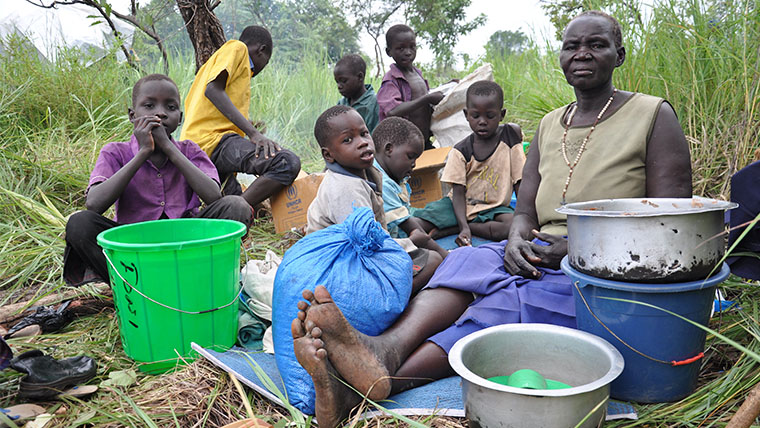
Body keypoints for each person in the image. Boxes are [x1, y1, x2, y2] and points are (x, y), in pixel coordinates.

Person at [291, 11, 693, 428]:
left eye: (596, 45)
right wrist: (518, 240)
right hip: (540, 249)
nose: (582, 54)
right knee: (465, 262)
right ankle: (381, 351)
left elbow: (669, 221)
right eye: (572, 46)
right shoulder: (553, 124)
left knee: (511, 299)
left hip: (608, 265)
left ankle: (384, 380)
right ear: (561, 57)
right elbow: (525, 210)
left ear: (620, 55)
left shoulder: (651, 115)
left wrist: (577, 247)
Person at [63, 74, 253, 286]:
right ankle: (129, 286)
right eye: (149, 105)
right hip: (134, 247)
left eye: (170, 107)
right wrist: (143, 152)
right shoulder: (115, 152)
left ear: (179, 118)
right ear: (132, 115)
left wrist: (170, 149)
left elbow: (213, 196)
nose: (160, 113)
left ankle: (200, 279)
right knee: (79, 224)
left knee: (236, 205)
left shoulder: (189, 150)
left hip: (189, 240)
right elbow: (94, 203)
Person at [305, 105, 442, 293]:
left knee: (426, 257)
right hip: (340, 269)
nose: (362, 142)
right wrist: (410, 244)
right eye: (347, 140)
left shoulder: (366, 174)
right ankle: (391, 302)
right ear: (329, 155)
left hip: (356, 256)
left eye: (364, 133)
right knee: (433, 260)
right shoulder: (345, 188)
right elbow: (366, 245)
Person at [180, 26, 300, 209]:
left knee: (258, 209)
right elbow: (213, 90)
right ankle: (233, 209)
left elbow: (210, 109)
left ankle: (229, 208)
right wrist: (253, 133)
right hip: (213, 142)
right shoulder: (237, 48)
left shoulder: (213, 65)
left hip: (198, 145)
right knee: (286, 162)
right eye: (265, 62)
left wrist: (249, 125)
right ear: (262, 50)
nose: (261, 70)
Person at [412, 81, 525, 246]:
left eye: (490, 115)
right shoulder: (460, 151)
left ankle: (455, 229)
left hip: (494, 208)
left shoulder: (510, 138)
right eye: (476, 115)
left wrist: (524, 215)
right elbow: (457, 193)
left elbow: (519, 181)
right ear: (466, 115)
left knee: (513, 227)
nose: (482, 121)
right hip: (458, 206)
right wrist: (462, 223)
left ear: (501, 115)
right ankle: (460, 225)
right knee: (416, 223)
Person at [372, 117, 448, 258]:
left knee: (446, 206)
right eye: (410, 157)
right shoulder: (382, 183)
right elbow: (412, 228)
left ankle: (441, 230)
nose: (414, 164)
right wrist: (445, 255)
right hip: (387, 245)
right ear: (389, 149)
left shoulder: (391, 175)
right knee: (433, 258)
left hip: (397, 225)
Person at [377, 24, 444, 150]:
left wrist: (448, 86)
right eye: (400, 48)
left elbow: (427, 97)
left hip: (424, 141)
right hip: (402, 145)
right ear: (389, 51)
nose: (408, 52)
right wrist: (427, 99)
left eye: (412, 47)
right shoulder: (391, 79)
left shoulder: (417, 74)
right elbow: (392, 111)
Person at [334, 54, 380, 133]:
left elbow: (377, 133)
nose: (339, 86)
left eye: (344, 81)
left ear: (360, 77)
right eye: (337, 82)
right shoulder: (341, 104)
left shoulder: (374, 103)